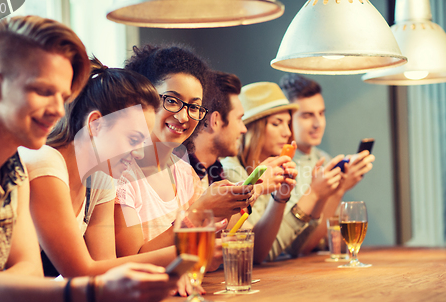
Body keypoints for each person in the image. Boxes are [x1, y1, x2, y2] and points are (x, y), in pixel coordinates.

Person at [0, 16, 175, 302]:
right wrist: (94, 292)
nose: (57, 109)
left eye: (63, 96)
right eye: (43, 91)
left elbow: (28, 271)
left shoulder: (13, 165)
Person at [18, 58, 180, 279]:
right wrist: (186, 252)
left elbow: (104, 269)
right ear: (95, 124)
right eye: (134, 139)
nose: (141, 153)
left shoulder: (101, 178)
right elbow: (80, 271)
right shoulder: (45, 161)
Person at [114, 45, 254, 261]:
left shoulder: (184, 173)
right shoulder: (120, 173)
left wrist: (229, 207)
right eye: (171, 100)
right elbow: (130, 261)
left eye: (194, 106)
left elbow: (209, 261)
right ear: (142, 96)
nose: (183, 117)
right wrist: (197, 213)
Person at [185, 72, 298, 263]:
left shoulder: (215, 171)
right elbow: (230, 252)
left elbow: (242, 247)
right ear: (215, 121)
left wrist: (279, 197)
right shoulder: (184, 170)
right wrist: (259, 186)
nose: (243, 128)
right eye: (239, 119)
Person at [278, 73, 375, 255]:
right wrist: (339, 190)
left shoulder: (324, 159)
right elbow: (297, 247)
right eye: (307, 115)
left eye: (321, 113)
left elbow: (331, 231)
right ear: (287, 119)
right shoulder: (281, 165)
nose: (318, 123)